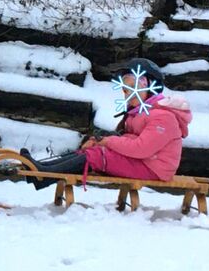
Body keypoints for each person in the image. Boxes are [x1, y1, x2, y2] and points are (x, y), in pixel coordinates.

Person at [20, 58, 192, 190]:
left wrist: (108, 142)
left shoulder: (163, 118)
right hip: (144, 162)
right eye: (125, 88)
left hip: (154, 169)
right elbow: (127, 139)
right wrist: (99, 140)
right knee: (92, 149)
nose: (127, 94)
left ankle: (44, 176)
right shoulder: (138, 113)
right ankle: (42, 169)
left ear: (149, 88)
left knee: (98, 156)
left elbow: (141, 148)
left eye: (133, 86)